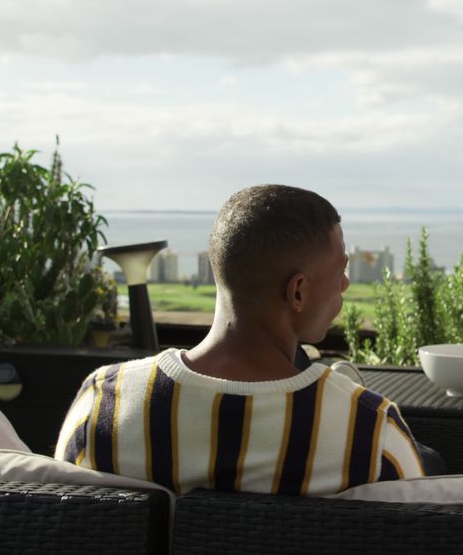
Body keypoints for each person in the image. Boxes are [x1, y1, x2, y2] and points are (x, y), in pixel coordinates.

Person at [56, 185, 425, 495]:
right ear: (297, 292)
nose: (344, 284)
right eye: (340, 271)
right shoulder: (369, 433)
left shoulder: (101, 406)